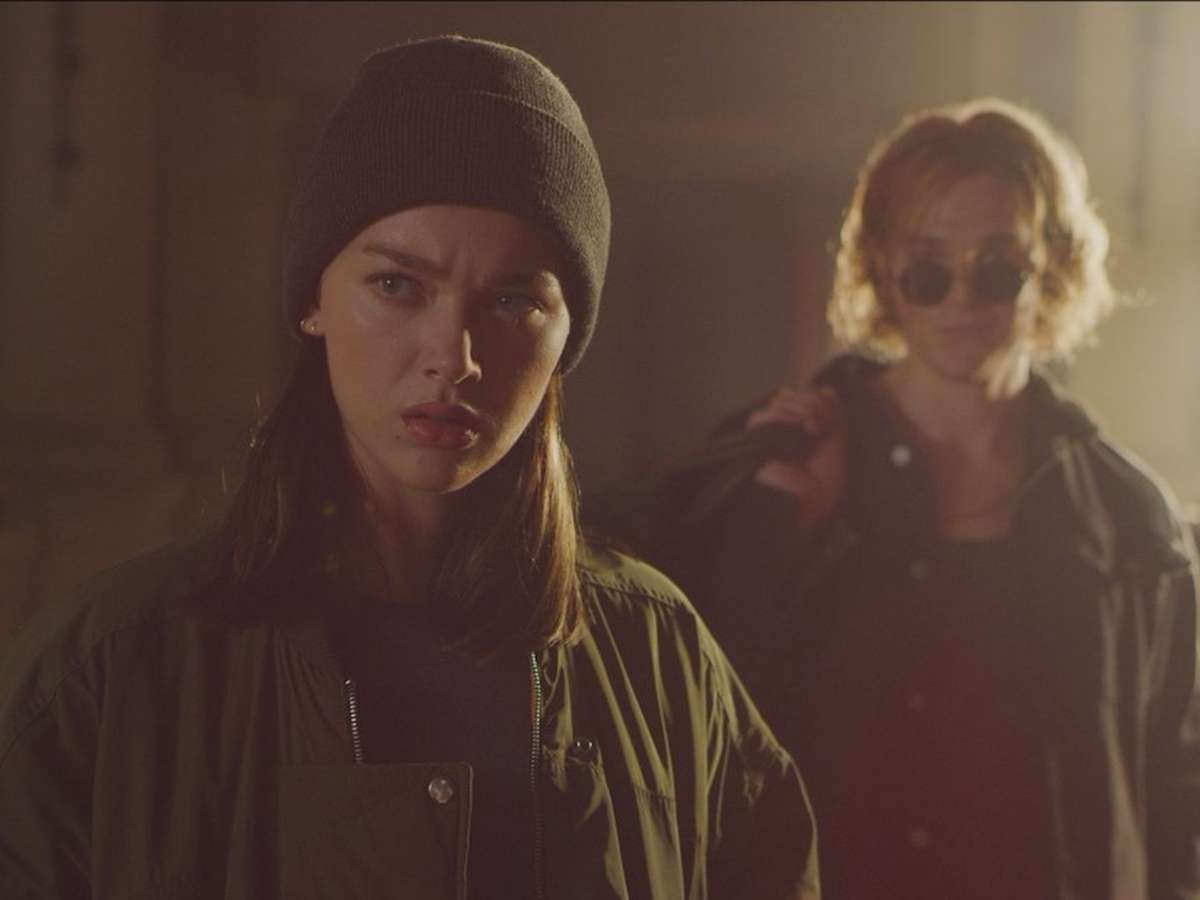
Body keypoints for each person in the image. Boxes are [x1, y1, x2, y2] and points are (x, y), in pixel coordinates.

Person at [0, 37, 819, 899]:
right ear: (314, 299)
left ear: (566, 336)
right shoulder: (111, 671)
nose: (454, 356)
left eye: (514, 300)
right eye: (398, 285)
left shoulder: (658, 654)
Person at [602, 98, 1200, 899]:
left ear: (1049, 265)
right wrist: (782, 529)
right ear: (882, 267)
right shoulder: (782, 459)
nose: (961, 298)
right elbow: (687, 727)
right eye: (928, 266)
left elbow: (1168, 795)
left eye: (997, 265)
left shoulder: (1129, 519)